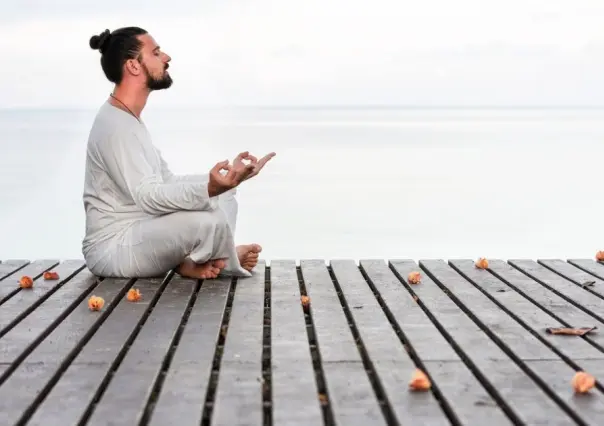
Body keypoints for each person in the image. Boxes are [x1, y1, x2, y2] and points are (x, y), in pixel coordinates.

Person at [81, 26, 275, 280]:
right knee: (209, 221)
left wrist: (228, 180)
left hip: (142, 233)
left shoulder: (129, 120)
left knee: (225, 195)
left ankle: (205, 259)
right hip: (113, 249)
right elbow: (148, 197)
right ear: (133, 66)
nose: (167, 57)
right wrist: (208, 190)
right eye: (156, 53)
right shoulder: (115, 127)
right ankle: (222, 259)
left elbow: (167, 182)